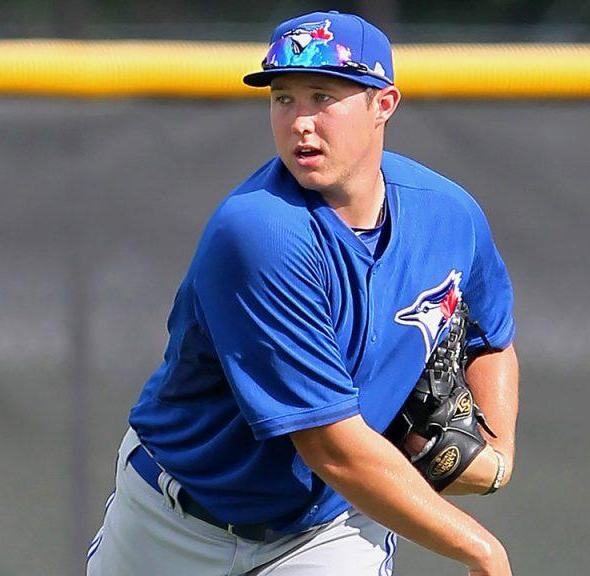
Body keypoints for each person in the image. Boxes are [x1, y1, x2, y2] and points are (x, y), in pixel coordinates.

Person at [87, 10, 519, 576]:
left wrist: (498, 457)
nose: (300, 122)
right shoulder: (261, 232)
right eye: (283, 98)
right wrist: (481, 548)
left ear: (383, 104)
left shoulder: (447, 215)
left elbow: (490, 335)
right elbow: (331, 448)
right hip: (175, 527)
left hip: (328, 531)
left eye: (323, 97)